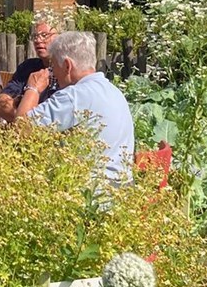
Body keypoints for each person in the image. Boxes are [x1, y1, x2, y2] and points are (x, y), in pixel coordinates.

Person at [23, 30, 134, 184]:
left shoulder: (73, 96)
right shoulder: (114, 91)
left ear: (67, 65)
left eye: (53, 66)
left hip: (91, 195)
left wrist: (32, 88)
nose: (52, 74)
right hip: (123, 190)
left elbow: (21, 129)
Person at [0, 16, 58, 124]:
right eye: (35, 36)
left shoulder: (68, 71)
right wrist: (24, 121)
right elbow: (0, 105)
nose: (38, 40)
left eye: (44, 35)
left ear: (60, 37)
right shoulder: (27, 68)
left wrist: (23, 110)